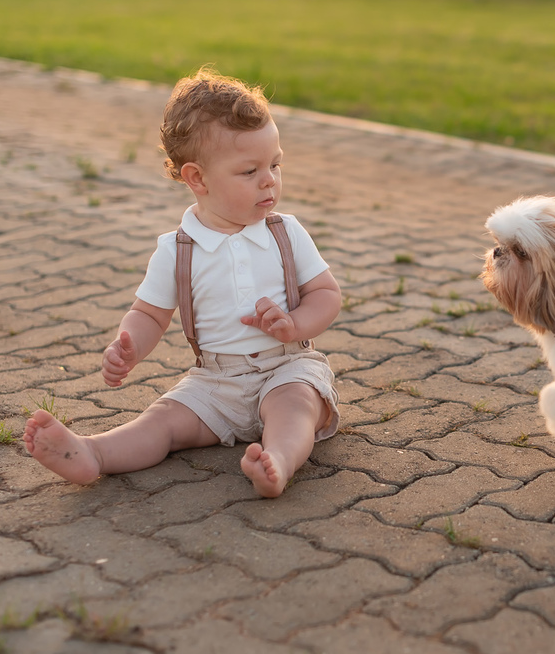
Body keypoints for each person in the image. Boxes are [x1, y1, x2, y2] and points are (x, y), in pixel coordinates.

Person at [23, 68, 341, 498]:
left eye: (275, 164)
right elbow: (150, 314)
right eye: (250, 171)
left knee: (296, 407)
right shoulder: (178, 249)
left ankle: (278, 463)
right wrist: (129, 346)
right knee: (163, 420)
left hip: (287, 365)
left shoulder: (285, 232)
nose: (269, 179)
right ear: (197, 178)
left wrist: (296, 325)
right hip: (215, 380)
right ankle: (92, 453)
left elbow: (326, 294)